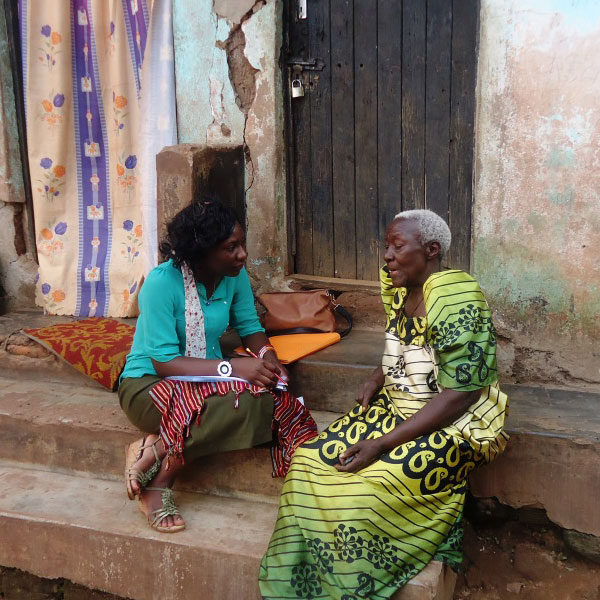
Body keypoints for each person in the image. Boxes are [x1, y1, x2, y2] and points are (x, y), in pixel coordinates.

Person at [259, 209, 509, 599]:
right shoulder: (402, 289)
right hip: (397, 408)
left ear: (431, 250)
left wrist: (383, 443)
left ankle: (352, 586)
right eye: (387, 246)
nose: (387, 256)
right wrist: (378, 375)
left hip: (453, 423)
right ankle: (304, 587)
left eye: (397, 246)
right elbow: (408, 343)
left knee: (367, 489)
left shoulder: (456, 298)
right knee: (308, 463)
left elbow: (462, 393)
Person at [119, 197, 297, 533]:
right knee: (228, 406)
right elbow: (165, 363)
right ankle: (160, 480)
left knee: (265, 402)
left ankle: (152, 447)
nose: (242, 255)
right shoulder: (161, 283)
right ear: (202, 251)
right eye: (231, 247)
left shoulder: (233, 275)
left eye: (242, 244)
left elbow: (250, 327)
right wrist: (232, 368)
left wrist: (268, 359)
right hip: (149, 386)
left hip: (205, 381)